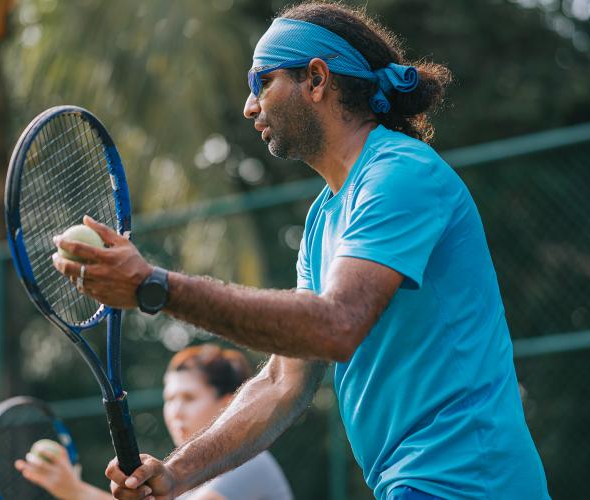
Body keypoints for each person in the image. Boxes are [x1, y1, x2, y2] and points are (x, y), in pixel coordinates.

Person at [53, 2, 550, 499]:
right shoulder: (322, 220)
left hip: (474, 483)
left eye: (261, 83)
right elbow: (281, 383)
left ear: (316, 79)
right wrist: (177, 474)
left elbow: (336, 324)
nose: (251, 107)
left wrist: (151, 286)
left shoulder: (400, 173)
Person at [15, 344, 293, 500]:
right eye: (170, 399)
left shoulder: (249, 462)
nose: (175, 410)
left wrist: (75, 491)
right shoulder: (189, 481)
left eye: (188, 397)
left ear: (229, 404)